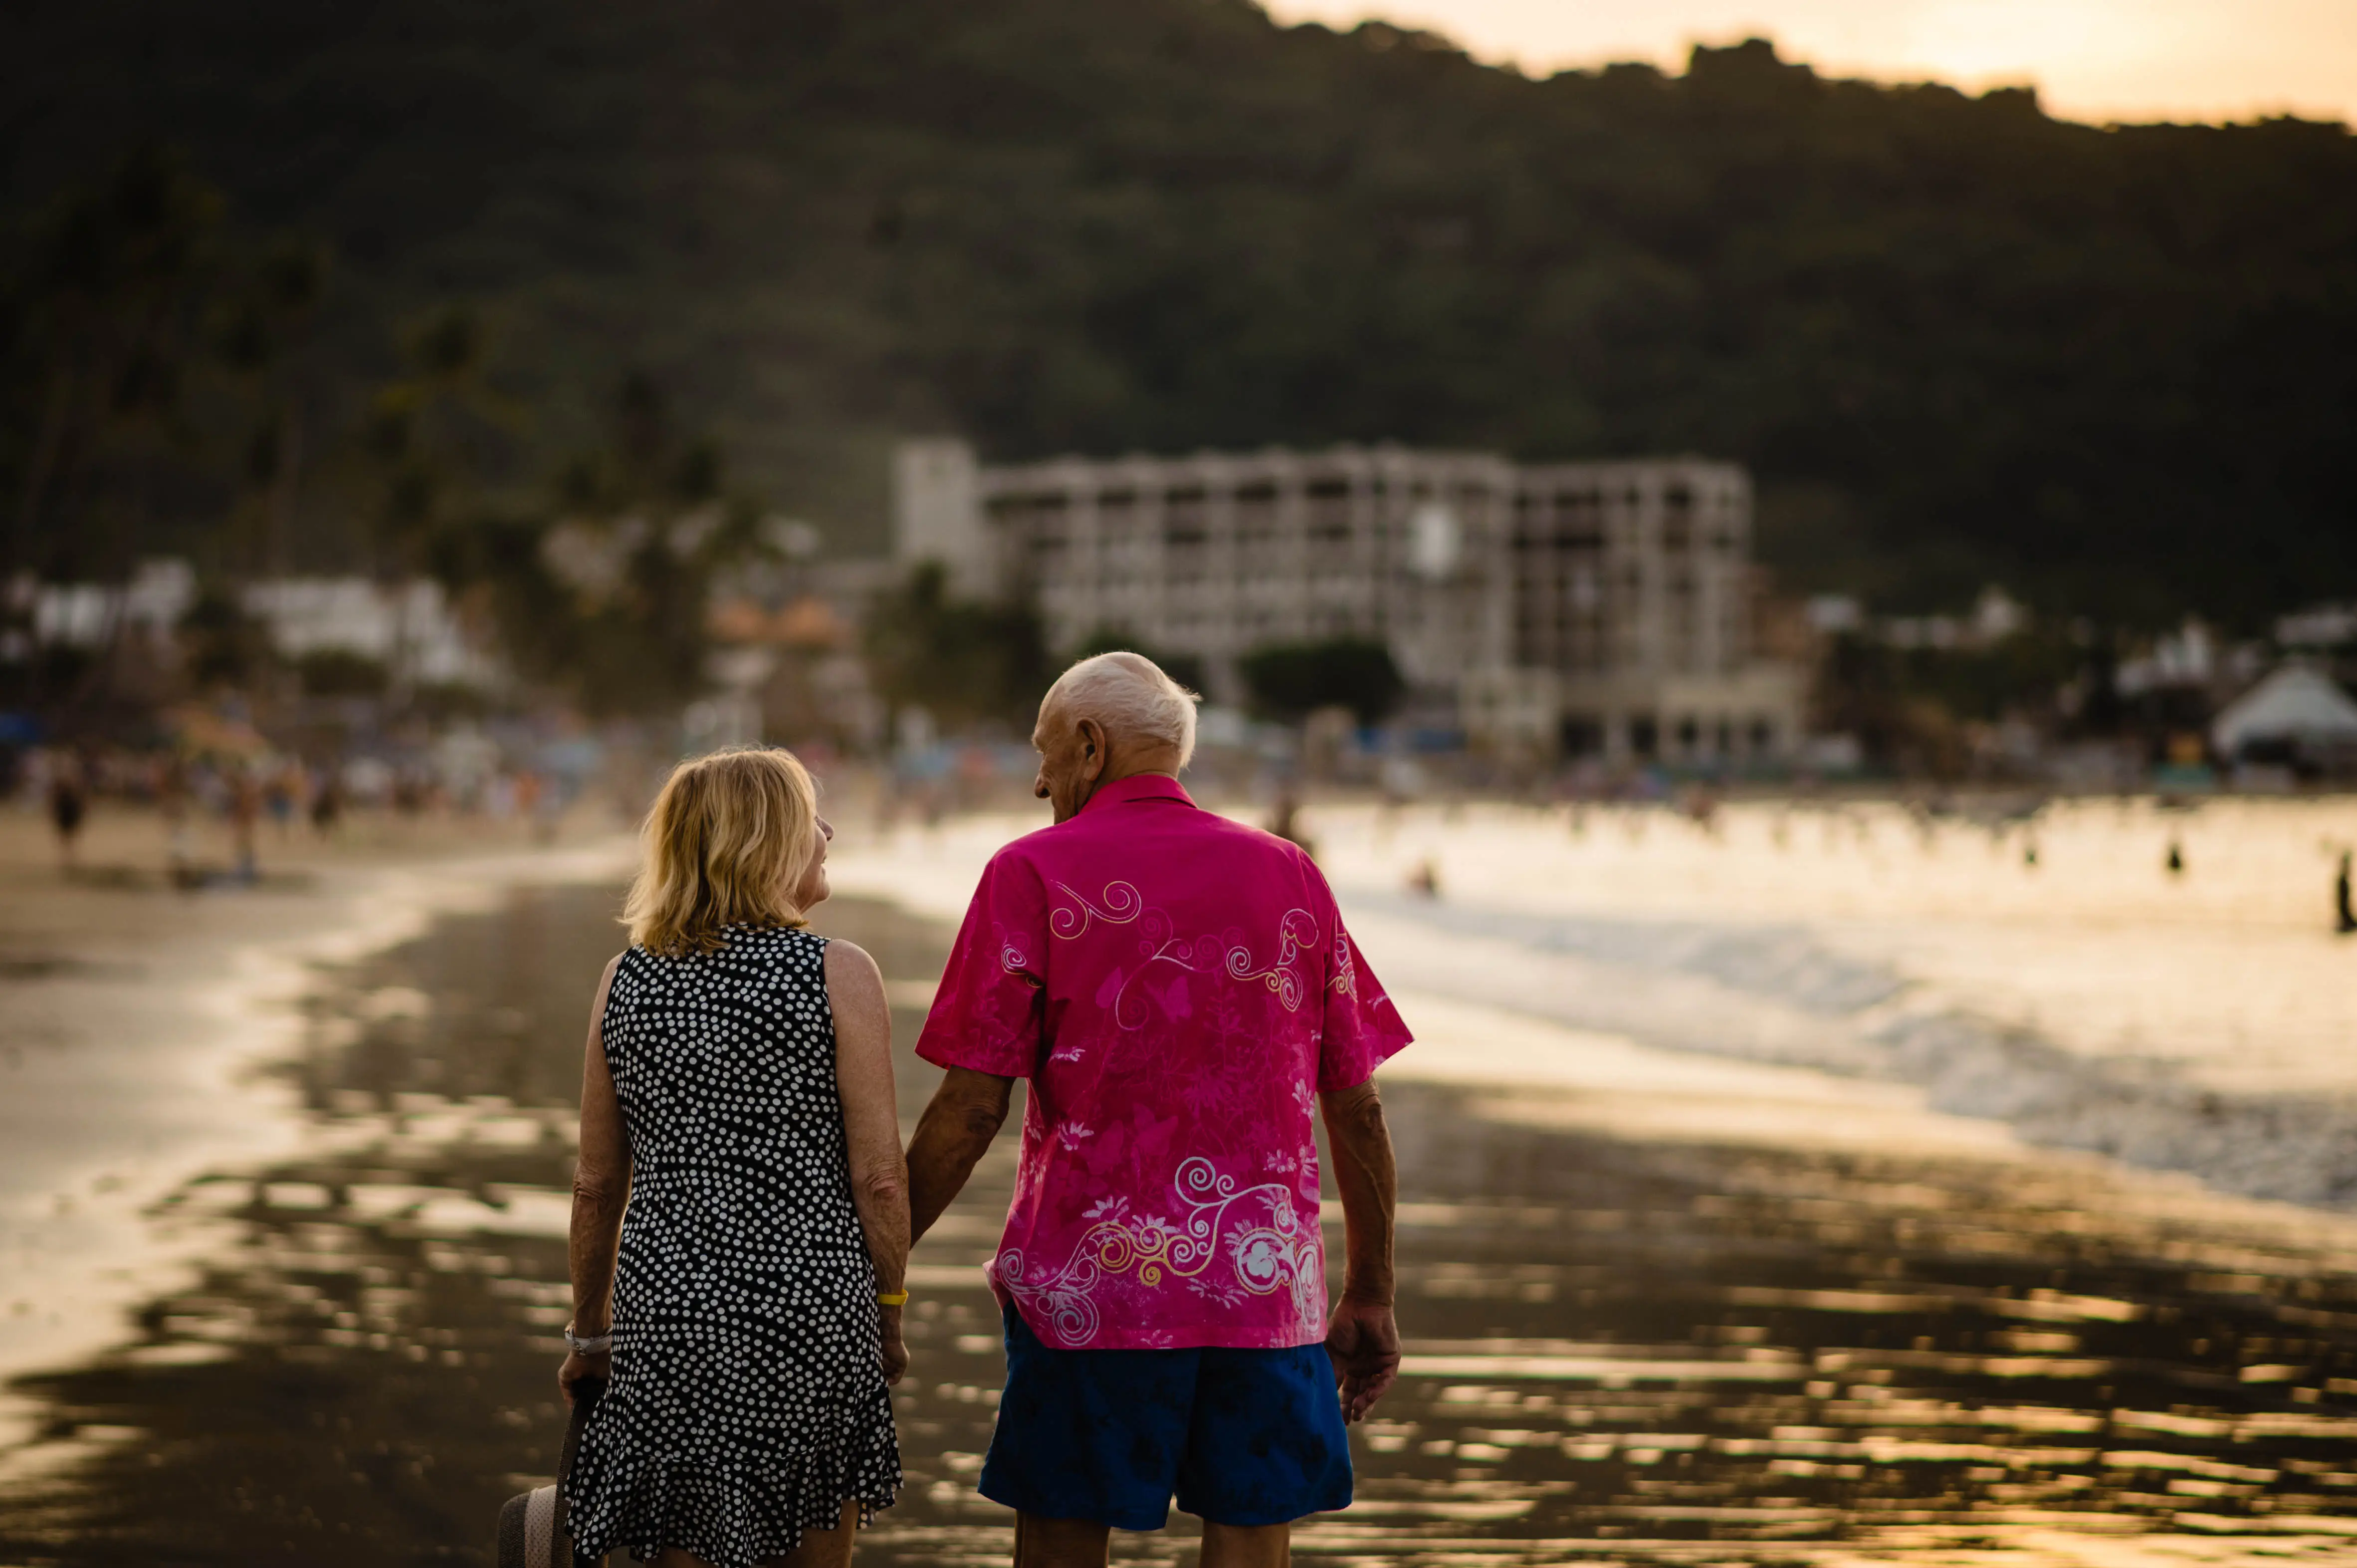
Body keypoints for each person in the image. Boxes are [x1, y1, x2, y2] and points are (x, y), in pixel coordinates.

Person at [904, 652, 1412, 1568]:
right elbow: (1358, 1108)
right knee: (1251, 1538)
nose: (1037, 780)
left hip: (1091, 1293)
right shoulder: (1292, 874)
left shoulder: (1030, 873)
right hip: (1265, 1289)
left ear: (1091, 748)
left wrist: (875, 1261)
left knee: (1063, 1537)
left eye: (1046, 754)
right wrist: (1370, 1289)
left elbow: (973, 1110)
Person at [560, 746, 908, 1568]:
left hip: (667, 1320)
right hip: (812, 1316)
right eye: (809, 817)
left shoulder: (627, 979)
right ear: (767, 840)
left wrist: (588, 1339)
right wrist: (887, 1314)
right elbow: (881, 1178)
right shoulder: (837, 974)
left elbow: (596, 1184)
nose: (828, 831)